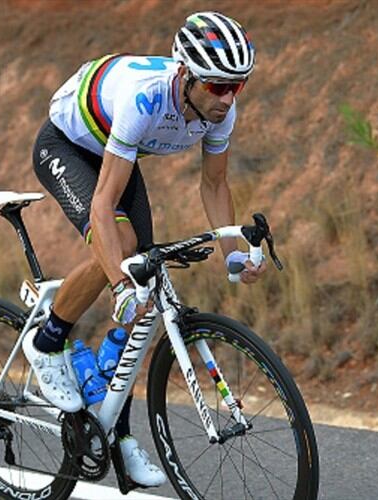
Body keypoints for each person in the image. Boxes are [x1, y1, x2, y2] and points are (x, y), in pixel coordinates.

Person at [23, 12, 265, 487]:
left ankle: (117, 434)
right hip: (66, 145)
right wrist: (118, 284)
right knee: (125, 252)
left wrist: (232, 254)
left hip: (116, 149)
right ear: (187, 76)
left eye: (238, 86)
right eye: (218, 86)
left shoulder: (221, 110)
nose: (228, 98)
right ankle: (48, 341)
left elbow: (214, 186)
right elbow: (101, 207)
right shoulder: (147, 98)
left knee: (145, 280)